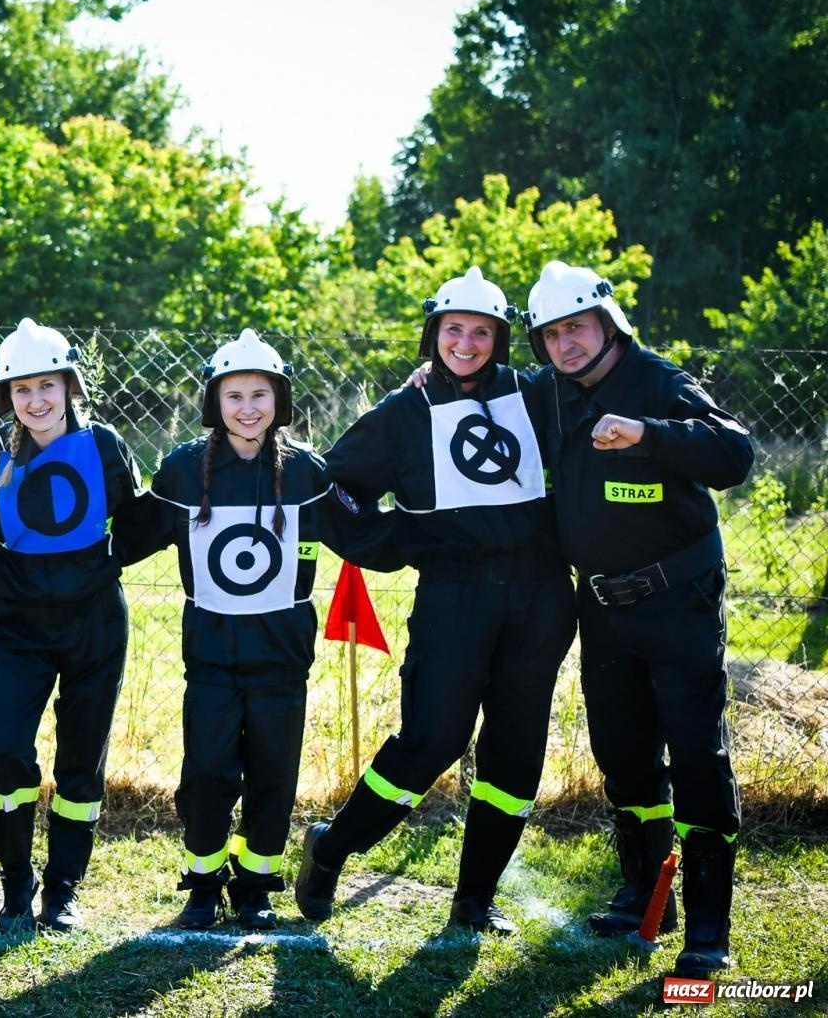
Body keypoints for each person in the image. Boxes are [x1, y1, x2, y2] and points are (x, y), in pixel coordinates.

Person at [294, 266, 577, 935]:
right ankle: (333, 849)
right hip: (456, 597)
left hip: (540, 598)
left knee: (514, 753)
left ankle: (473, 901)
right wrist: (402, 539)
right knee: (432, 740)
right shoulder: (404, 411)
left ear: (502, 338)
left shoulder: (539, 396)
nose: (467, 344)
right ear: (434, 334)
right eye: (454, 329)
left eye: (482, 332)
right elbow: (340, 487)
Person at [112, 330, 409, 930]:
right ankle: (202, 881)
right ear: (213, 403)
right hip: (211, 657)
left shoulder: (306, 473)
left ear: (280, 402)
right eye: (234, 396)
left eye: (261, 395)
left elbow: (365, 539)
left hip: (282, 658)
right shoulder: (182, 469)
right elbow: (127, 537)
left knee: (275, 772)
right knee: (207, 772)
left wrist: (431, 521)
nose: (248, 408)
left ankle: (255, 884)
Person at [523, 260, 753, 977]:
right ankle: (644, 893)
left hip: (677, 600)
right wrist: (428, 387)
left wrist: (650, 434)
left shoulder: (660, 381)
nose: (566, 344)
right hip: (601, 605)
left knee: (695, 754)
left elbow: (734, 452)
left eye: (577, 328)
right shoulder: (551, 396)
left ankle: (708, 925)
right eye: (552, 335)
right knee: (622, 754)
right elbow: (481, 395)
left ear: (609, 323)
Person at [0, 318, 143, 932]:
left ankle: (63, 888)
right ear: (5, 398)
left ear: (69, 386)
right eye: (20, 389)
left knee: (82, 759)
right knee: (5, 749)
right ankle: (15, 881)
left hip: (94, 623)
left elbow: (140, 524)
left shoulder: (106, 445)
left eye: (47, 386)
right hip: (18, 627)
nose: (35, 400)